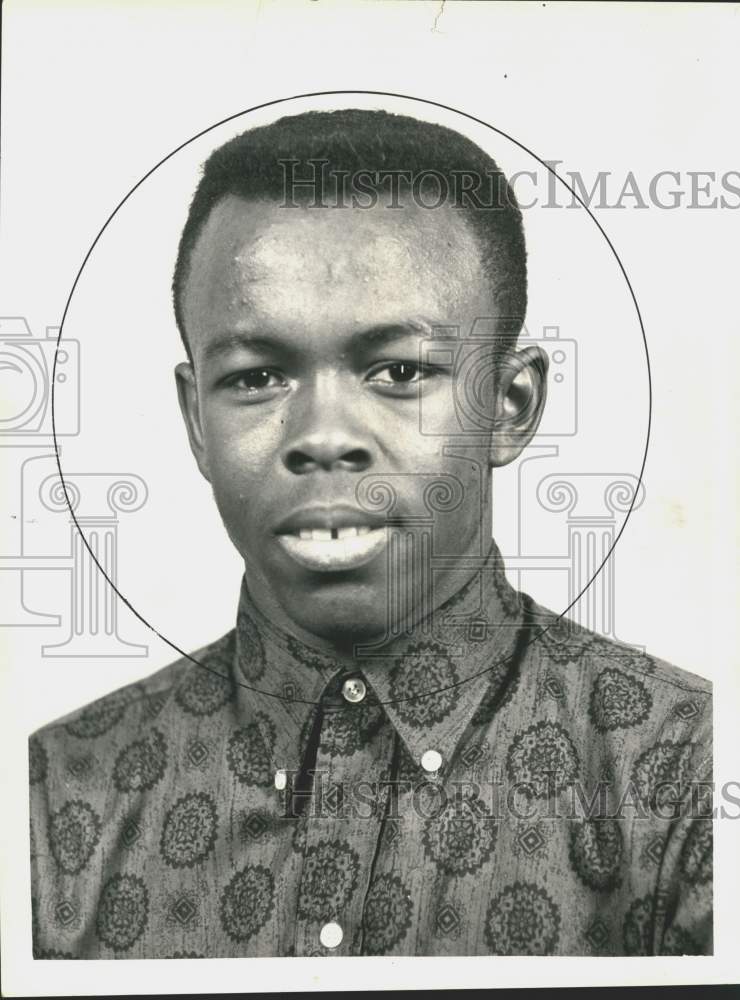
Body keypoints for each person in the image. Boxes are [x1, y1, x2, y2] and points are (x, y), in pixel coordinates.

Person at [28, 108, 712, 959]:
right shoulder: (53, 801)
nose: (322, 434)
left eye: (399, 372)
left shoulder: (689, 778)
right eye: (258, 376)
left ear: (511, 404)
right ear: (196, 421)